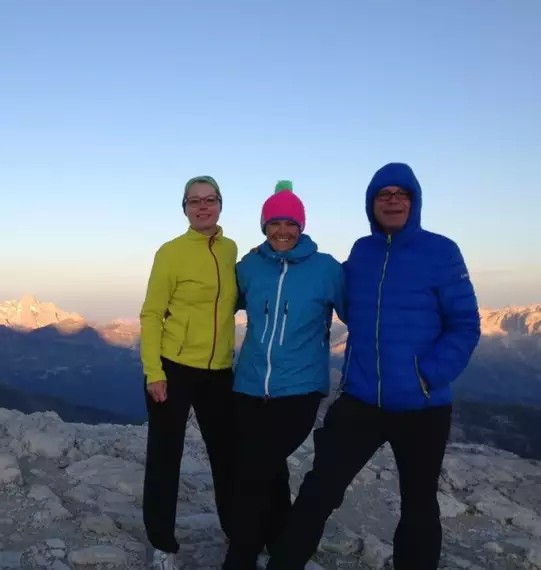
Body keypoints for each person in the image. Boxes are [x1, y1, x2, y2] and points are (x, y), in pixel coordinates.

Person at [265, 162, 481, 570]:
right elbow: (327, 287)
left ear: (414, 203)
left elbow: (466, 325)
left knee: (418, 507)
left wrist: (428, 374)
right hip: (361, 400)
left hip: (423, 406)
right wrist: (286, 244)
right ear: (372, 204)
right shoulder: (362, 253)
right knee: (319, 491)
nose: (393, 200)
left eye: (402, 194)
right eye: (385, 194)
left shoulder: (442, 251)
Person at [222, 181, 346, 570]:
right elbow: (219, 302)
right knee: (267, 466)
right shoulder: (250, 266)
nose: (282, 231)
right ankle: (277, 538)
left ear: (302, 227)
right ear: (263, 226)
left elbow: (358, 315)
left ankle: (240, 556)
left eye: (290, 224)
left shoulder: (326, 269)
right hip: (248, 386)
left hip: (299, 389)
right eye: (274, 223)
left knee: (254, 471)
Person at [139, 175, 238, 570]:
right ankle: (162, 544)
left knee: (227, 457)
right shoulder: (171, 253)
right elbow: (150, 314)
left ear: (220, 205)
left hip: (219, 371)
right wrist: (153, 372)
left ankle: (237, 530)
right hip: (173, 368)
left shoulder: (231, 251)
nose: (203, 206)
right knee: (165, 459)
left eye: (210, 199)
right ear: (184, 208)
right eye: (194, 201)